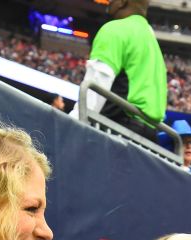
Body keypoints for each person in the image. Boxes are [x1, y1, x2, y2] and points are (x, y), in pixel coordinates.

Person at [70, 0, 166, 141]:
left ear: (122, 2)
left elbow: (96, 87)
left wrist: (71, 126)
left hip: (119, 129)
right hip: (150, 136)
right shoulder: (151, 39)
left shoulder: (115, 29)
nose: (109, 2)